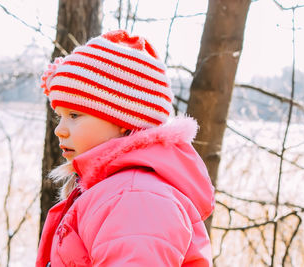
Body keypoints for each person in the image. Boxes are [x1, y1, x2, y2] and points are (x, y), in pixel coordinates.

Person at [36, 29, 215, 267]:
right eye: (60, 116)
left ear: (124, 122)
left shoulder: (135, 197)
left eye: (74, 115)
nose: (60, 129)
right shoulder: (114, 190)